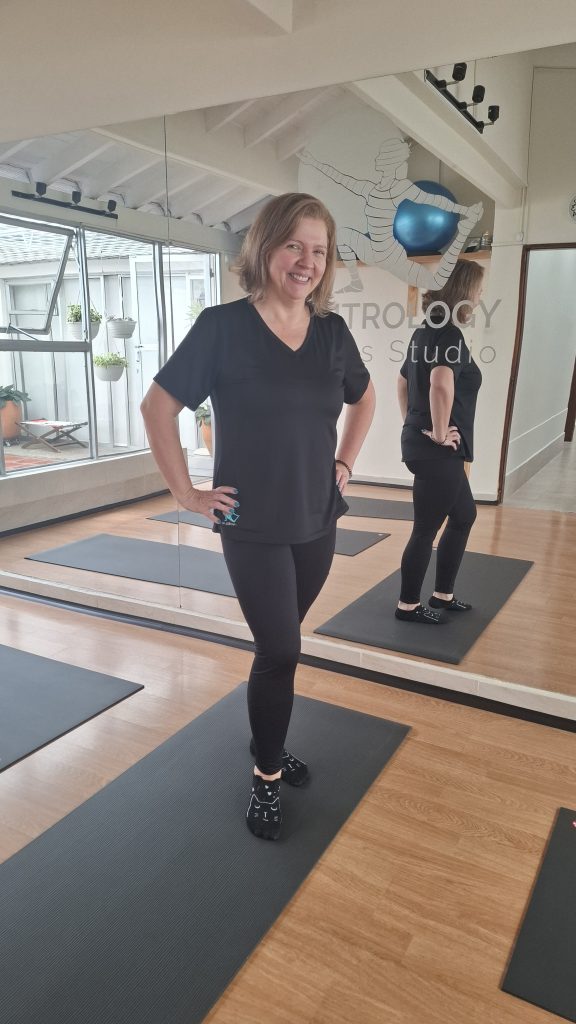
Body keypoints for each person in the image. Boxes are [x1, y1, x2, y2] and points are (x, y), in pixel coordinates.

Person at [140, 193, 375, 840]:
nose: (306, 261)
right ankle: (266, 774)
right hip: (253, 524)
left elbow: (364, 398)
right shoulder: (222, 328)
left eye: (319, 251)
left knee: (281, 647)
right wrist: (186, 493)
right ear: (266, 248)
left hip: (317, 517)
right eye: (294, 245)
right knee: (281, 648)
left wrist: (346, 462)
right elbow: (157, 408)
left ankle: (265, 737)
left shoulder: (332, 333)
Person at [395, 259, 484, 625]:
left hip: (428, 448)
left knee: (464, 515)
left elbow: (402, 381)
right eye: (478, 291)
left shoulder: (424, 332)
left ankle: (442, 595)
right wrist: (438, 431)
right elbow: (440, 384)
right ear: (462, 292)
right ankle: (407, 606)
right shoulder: (449, 335)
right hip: (437, 452)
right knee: (425, 529)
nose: (479, 298)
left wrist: (413, 424)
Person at [300, 138, 483, 292]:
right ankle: (356, 282)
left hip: (390, 255)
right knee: (343, 235)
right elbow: (341, 178)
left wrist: (465, 211)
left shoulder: (400, 188)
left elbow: (434, 200)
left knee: (436, 283)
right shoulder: (370, 189)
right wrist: (314, 163)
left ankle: (463, 232)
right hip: (371, 250)